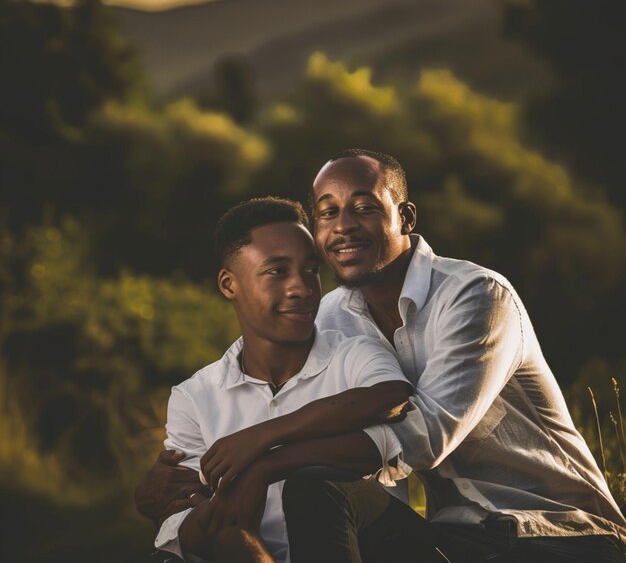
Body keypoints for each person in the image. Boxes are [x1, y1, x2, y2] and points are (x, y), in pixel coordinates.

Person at [137, 150, 626, 562]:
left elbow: (426, 434)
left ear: (405, 218)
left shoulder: (475, 296)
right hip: (454, 535)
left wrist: (266, 456)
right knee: (320, 492)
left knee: (314, 483)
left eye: (364, 207)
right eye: (327, 212)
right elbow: (273, 386)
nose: (343, 226)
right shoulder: (329, 314)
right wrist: (182, 476)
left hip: (554, 532)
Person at [151, 195, 422, 563]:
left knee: (313, 484)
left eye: (311, 270)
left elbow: (393, 397)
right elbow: (186, 521)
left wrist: (262, 441)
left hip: (374, 551)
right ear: (230, 285)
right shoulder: (193, 396)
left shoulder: (356, 354)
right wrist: (198, 515)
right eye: (277, 271)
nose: (302, 288)